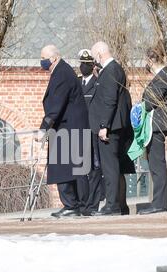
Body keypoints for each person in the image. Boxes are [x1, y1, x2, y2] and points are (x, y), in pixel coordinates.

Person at [38, 45, 91, 218]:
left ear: (53, 58)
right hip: (68, 127)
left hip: (67, 128)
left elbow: (56, 104)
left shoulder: (61, 73)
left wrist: (44, 128)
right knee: (70, 168)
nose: (42, 62)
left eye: (44, 58)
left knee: (65, 167)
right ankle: (75, 205)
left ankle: (72, 205)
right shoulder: (63, 71)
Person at [89, 42, 135, 215]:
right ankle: (119, 205)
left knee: (110, 167)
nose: (94, 61)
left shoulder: (110, 71)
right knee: (114, 166)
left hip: (110, 127)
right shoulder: (113, 70)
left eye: (94, 57)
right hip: (116, 125)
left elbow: (109, 101)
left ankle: (112, 205)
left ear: (100, 54)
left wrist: (104, 126)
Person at [138, 45, 167, 215]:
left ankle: (160, 203)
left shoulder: (165, 75)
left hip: (158, 125)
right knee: (154, 164)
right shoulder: (160, 76)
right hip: (153, 125)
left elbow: (151, 101)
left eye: (147, 60)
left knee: (157, 164)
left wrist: (138, 108)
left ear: (152, 60)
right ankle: (158, 201)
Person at [77, 49, 103, 215]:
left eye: (86, 64)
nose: (83, 67)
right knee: (80, 171)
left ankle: (93, 205)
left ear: (92, 65)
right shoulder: (77, 83)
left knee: (94, 171)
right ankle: (82, 204)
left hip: (92, 132)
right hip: (79, 131)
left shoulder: (97, 83)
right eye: (82, 64)